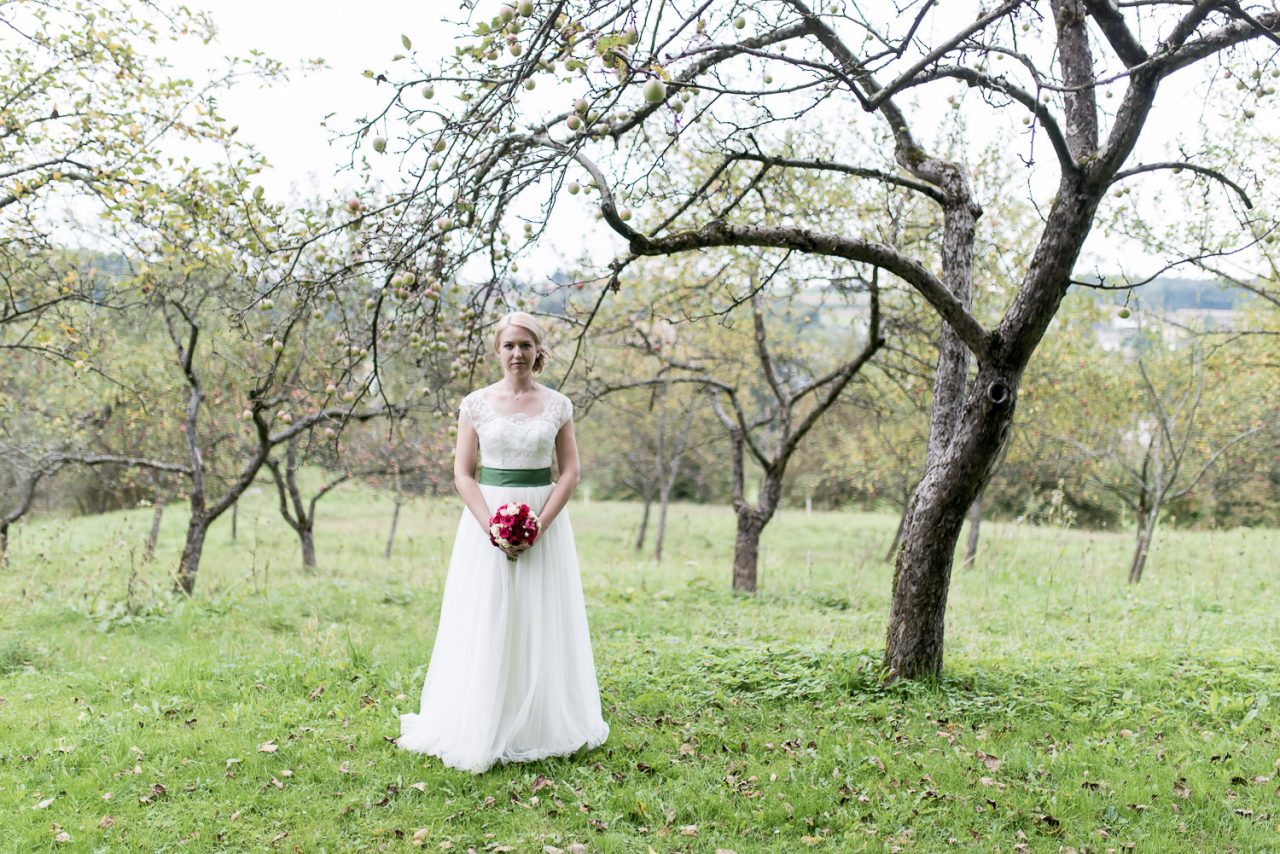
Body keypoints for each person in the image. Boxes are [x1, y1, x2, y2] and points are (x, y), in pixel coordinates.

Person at [398, 312, 609, 773]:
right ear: (497, 351)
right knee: (488, 613)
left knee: (538, 613)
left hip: (543, 514)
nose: (517, 354)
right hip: (485, 519)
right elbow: (462, 472)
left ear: (538, 352)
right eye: (509, 345)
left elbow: (570, 470)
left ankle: (537, 721)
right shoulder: (474, 404)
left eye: (526, 346)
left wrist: (540, 523)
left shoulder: (558, 405)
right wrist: (491, 525)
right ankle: (482, 717)